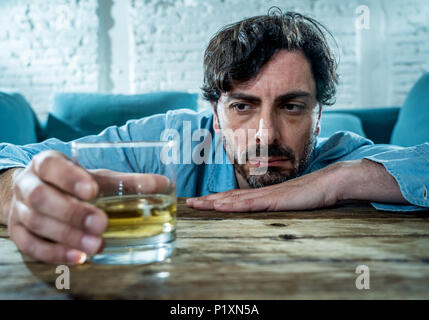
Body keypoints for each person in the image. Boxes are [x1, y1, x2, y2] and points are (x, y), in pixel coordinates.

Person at [0, 10, 428, 265]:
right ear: (216, 117)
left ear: (318, 118)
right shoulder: (167, 144)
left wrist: (336, 181)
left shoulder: (342, 158)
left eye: (292, 107)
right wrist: (19, 190)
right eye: (243, 106)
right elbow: (13, 157)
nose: (266, 134)